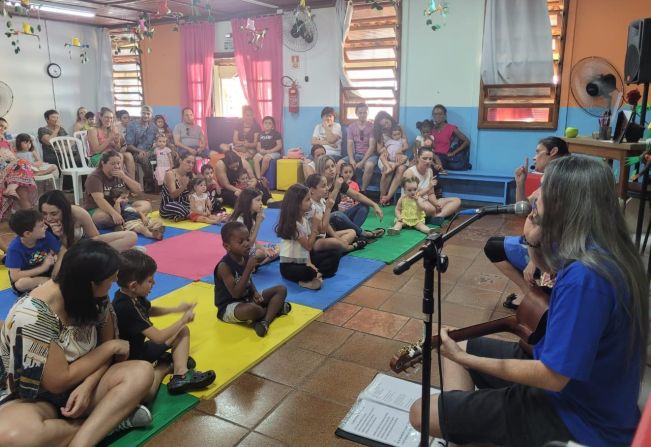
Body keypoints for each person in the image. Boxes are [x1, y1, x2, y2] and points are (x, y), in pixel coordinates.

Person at [409, 155, 649, 447]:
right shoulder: (604, 250)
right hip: (579, 387)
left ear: (567, 203)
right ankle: (472, 427)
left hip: (578, 414)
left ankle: (473, 424)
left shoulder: (586, 277)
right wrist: (534, 240)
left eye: (544, 188)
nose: (533, 195)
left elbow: (553, 377)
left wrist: (467, 360)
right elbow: (545, 269)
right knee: (457, 345)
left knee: (421, 413)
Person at [0, 240, 155, 447]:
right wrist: (109, 347)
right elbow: (58, 381)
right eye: (110, 280)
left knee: (142, 372)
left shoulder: (95, 297)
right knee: (11, 436)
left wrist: (89, 385)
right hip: (40, 398)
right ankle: (107, 423)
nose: (114, 284)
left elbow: (108, 358)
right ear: (91, 283)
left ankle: (81, 442)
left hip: (88, 383)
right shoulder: (33, 315)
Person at [114, 249, 216, 396]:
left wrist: (175, 309)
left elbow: (148, 310)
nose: (154, 283)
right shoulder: (125, 306)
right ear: (133, 285)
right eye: (150, 280)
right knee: (148, 393)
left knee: (182, 331)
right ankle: (165, 366)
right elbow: (158, 337)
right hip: (132, 361)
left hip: (140, 349)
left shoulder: (132, 295)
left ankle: (181, 374)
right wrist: (182, 319)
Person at [484, 136, 570, 309]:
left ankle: (533, 297)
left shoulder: (561, 181)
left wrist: (533, 261)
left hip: (552, 250)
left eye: (538, 152)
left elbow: (556, 226)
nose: (534, 157)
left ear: (552, 152)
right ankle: (532, 293)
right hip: (538, 243)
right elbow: (523, 209)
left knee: (493, 248)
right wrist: (520, 183)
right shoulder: (551, 177)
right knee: (493, 245)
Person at [214, 221, 290, 337]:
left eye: (247, 240)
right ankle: (275, 310)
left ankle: (265, 322)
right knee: (253, 310)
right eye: (241, 242)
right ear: (227, 246)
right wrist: (248, 268)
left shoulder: (245, 256)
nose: (246, 244)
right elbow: (236, 294)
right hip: (230, 306)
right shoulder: (224, 266)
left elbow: (249, 280)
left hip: (247, 299)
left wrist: (254, 292)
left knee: (281, 289)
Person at [275, 183, 343, 290]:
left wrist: (310, 263)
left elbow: (307, 251)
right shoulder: (294, 225)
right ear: (297, 204)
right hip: (289, 266)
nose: (311, 202)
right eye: (307, 200)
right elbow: (308, 246)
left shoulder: (304, 220)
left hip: (303, 260)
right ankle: (311, 278)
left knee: (335, 254)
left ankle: (316, 275)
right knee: (308, 272)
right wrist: (315, 226)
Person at [39, 190, 138, 251]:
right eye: (44, 213)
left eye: (54, 214)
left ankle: (110, 254)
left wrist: (87, 247)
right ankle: (117, 254)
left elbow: (95, 237)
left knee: (131, 236)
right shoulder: (40, 222)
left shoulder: (78, 213)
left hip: (83, 248)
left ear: (64, 209)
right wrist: (61, 236)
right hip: (66, 256)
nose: (48, 218)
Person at [316, 155, 385, 241]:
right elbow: (327, 206)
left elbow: (357, 195)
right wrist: (336, 188)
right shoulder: (317, 185)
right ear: (320, 170)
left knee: (364, 206)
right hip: (327, 221)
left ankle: (354, 234)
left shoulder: (338, 182)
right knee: (337, 214)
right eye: (327, 168)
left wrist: (375, 205)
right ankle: (362, 233)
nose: (331, 169)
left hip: (340, 219)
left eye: (332, 166)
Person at [84, 150, 151, 229]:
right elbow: (99, 200)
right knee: (102, 218)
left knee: (147, 205)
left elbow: (138, 190)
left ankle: (124, 221)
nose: (117, 166)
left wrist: (124, 177)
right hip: (100, 208)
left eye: (118, 163)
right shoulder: (94, 177)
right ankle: (133, 219)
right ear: (103, 163)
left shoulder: (121, 172)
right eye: (112, 164)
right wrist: (114, 213)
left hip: (122, 207)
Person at [5, 209, 65, 294]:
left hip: (47, 271)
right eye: (41, 226)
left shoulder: (46, 235)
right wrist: (43, 268)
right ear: (28, 234)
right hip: (29, 275)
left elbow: (61, 251)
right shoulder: (14, 248)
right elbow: (15, 276)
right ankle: (50, 283)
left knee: (66, 265)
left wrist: (55, 270)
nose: (46, 227)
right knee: (21, 283)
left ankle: (49, 284)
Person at [305, 173, 364, 252]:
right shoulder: (311, 206)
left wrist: (338, 238)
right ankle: (351, 247)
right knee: (335, 242)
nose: (326, 188)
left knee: (352, 232)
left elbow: (327, 226)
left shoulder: (322, 201)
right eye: (323, 186)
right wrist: (328, 208)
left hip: (324, 237)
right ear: (312, 190)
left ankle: (340, 246)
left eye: (326, 185)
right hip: (315, 241)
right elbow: (322, 229)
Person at [403, 147, 461, 221]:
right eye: (424, 158)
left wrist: (436, 203)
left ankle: (438, 217)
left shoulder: (430, 171)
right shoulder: (409, 173)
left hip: (427, 201)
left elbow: (431, 194)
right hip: (413, 202)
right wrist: (427, 188)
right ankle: (441, 214)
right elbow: (409, 197)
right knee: (430, 208)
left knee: (456, 201)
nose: (428, 161)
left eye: (430, 159)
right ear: (417, 158)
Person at [230, 188, 279, 265]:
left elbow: (252, 239)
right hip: (240, 253)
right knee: (260, 253)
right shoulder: (239, 221)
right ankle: (256, 264)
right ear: (248, 202)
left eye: (261, 200)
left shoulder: (250, 217)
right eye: (258, 200)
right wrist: (258, 223)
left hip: (249, 249)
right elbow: (248, 244)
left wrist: (265, 249)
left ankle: (257, 263)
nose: (261, 203)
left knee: (278, 248)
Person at [87, 107, 135, 177]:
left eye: (111, 118)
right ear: (100, 117)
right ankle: (117, 183)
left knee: (128, 155)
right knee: (119, 156)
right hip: (97, 157)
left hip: (112, 155)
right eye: (106, 117)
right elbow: (96, 150)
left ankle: (131, 183)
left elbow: (118, 150)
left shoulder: (113, 129)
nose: (109, 120)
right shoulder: (93, 130)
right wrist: (110, 139)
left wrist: (116, 142)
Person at [344, 103, 376, 193]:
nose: (362, 115)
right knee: (340, 163)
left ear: (367, 113)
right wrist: (351, 159)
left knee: (369, 165)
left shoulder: (372, 127)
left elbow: (372, 146)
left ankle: (362, 192)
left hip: (370, 155)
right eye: (360, 112)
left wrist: (362, 162)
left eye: (365, 112)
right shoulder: (351, 127)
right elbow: (349, 144)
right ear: (356, 113)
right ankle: (344, 189)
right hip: (357, 154)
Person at [125, 105, 158, 191]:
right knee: (144, 158)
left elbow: (157, 139)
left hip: (151, 151)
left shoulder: (153, 127)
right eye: (144, 113)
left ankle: (166, 183)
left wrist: (161, 138)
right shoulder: (132, 125)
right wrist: (140, 150)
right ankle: (149, 182)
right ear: (140, 113)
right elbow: (129, 145)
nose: (146, 116)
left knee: (170, 153)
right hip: (136, 152)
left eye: (148, 113)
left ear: (151, 115)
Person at [0, 146, 37, 220]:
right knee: (22, 164)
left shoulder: (5, 141)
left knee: (22, 164)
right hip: (4, 172)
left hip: (9, 170)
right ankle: (31, 218)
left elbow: (12, 158)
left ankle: (11, 188)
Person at [430, 104, 470, 170]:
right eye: (435, 114)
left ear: (445, 116)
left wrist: (453, 153)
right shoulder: (431, 128)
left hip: (443, 157)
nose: (437, 116)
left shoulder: (451, 128)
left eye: (440, 114)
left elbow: (467, 141)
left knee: (433, 166)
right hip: (431, 155)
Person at [378, 124, 409, 205]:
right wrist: (384, 151)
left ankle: (395, 165)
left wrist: (400, 150)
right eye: (394, 134)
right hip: (389, 159)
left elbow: (406, 147)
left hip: (398, 158)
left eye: (398, 134)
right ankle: (388, 167)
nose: (397, 136)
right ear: (391, 135)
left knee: (405, 157)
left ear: (401, 133)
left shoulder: (402, 140)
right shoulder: (389, 141)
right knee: (382, 157)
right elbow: (382, 149)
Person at [160, 152, 194, 221]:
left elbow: (194, 194)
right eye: (188, 162)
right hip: (170, 205)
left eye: (193, 163)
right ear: (181, 161)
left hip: (184, 204)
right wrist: (183, 186)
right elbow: (173, 195)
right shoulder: (170, 174)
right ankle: (194, 214)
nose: (191, 165)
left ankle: (187, 215)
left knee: (207, 200)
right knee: (177, 207)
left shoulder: (191, 175)